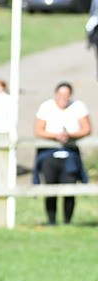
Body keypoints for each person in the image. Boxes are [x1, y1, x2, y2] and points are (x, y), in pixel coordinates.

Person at [34, 82, 91, 225]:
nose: (63, 97)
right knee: (50, 189)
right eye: (61, 94)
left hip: (69, 154)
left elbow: (87, 129)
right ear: (56, 94)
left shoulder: (78, 106)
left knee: (69, 189)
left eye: (67, 94)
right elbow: (38, 130)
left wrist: (70, 135)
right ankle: (51, 221)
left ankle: (67, 222)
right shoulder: (46, 107)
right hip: (49, 154)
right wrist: (56, 136)